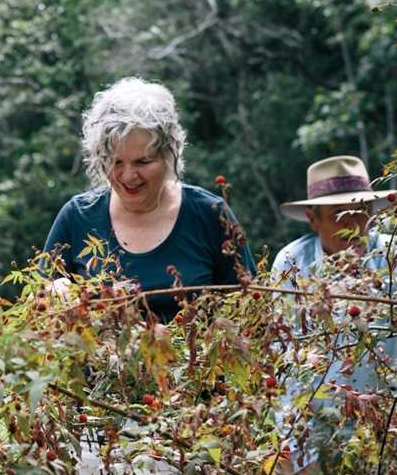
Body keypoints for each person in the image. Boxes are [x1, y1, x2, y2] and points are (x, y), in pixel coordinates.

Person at [270, 155, 397, 475]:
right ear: (312, 218)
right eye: (340, 214)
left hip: (382, 431)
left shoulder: (396, 257)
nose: (354, 223)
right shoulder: (292, 264)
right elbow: (281, 352)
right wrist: (296, 445)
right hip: (311, 436)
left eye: (360, 211)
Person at [42, 77, 256, 322]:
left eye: (143, 162)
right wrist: (53, 292)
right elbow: (36, 313)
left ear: (170, 154)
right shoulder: (77, 217)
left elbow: (249, 315)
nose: (128, 175)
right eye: (116, 162)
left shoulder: (210, 214)